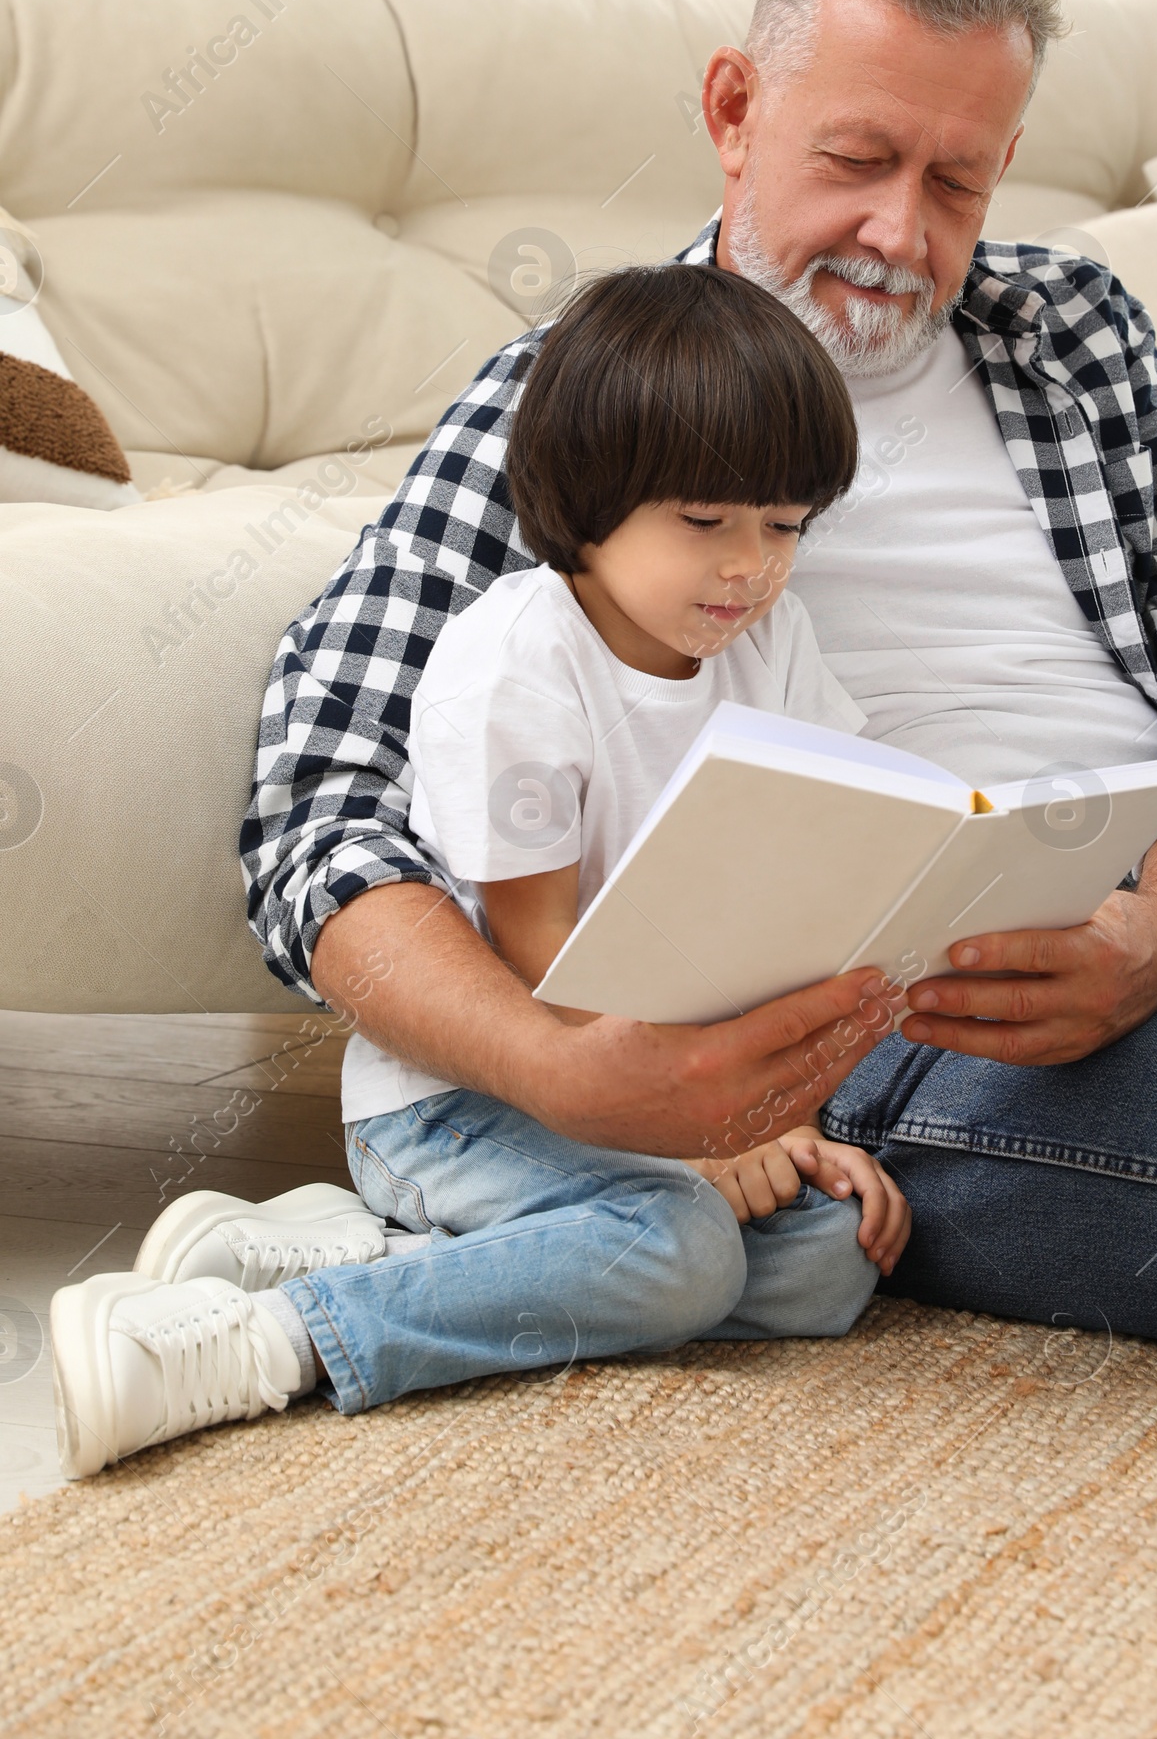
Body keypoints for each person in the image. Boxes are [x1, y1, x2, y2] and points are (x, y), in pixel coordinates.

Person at [61, 0, 1157, 1465]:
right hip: (903, 1022)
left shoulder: (1072, 330)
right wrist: (577, 1079)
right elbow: (318, 800)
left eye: (958, 183)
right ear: (735, 107)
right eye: (858, 161)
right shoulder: (591, 400)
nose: (898, 234)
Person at [50, 264, 910, 1474]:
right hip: (462, 1105)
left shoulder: (773, 643)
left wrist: (782, 1120)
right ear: (590, 502)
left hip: (654, 1093)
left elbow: (817, 861)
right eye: (705, 523)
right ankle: (273, 1335)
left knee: (826, 1258)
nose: (749, 570)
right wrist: (706, 1147)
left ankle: (368, 1252)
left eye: (784, 527)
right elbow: (544, 963)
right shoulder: (517, 659)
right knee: (683, 1252)